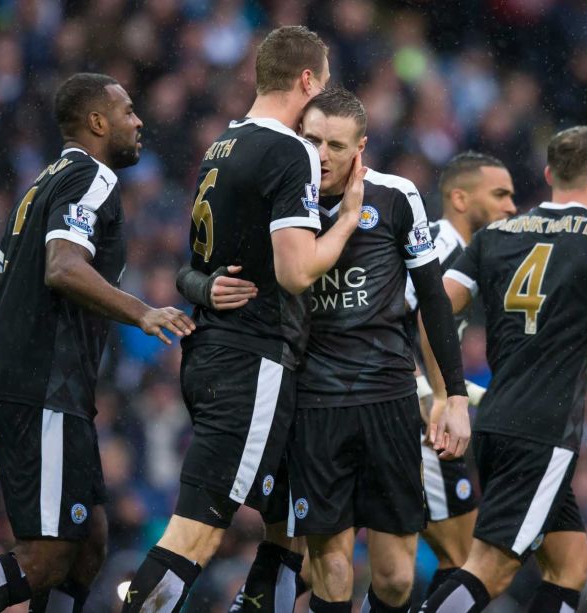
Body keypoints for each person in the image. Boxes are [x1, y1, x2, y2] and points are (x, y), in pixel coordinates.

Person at [180, 88, 470, 613]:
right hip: (315, 404)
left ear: (361, 146)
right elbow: (194, 265)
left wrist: (454, 396)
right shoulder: (278, 200)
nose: (321, 154)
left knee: (396, 578)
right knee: (331, 570)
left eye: (336, 144)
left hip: (389, 400)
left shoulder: (397, 196)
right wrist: (205, 286)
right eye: (311, 140)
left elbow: (433, 300)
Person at [120, 27, 369, 613]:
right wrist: (350, 218)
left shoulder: (223, 145)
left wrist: (200, 284)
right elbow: (296, 270)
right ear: (306, 80)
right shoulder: (289, 151)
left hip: (214, 355)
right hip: (251, 363)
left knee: (287, 525)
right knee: (197, 533)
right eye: (324, 83)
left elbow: (198, 261)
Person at [0, 73, 195, 613]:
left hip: (31, 389)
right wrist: (144, 311)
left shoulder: (36, 190)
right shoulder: (93, 178)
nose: (139, 121)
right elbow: (63, 268)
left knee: (90, 542)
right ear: (97, 122)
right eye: (128, 111)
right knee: (47, 557)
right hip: (44, 389)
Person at [419, 126, 587, 613]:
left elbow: (434, 312)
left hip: (495, 420)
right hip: (543, 430)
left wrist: (446, 390)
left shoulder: (496, 235)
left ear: (550, 173)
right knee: (489, 569)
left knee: (570, 565)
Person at [405, 151, 516, 597]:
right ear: (460, 198)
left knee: (391, 566)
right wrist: (430, 393)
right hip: (412, 421)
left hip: (405, 409)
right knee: (467, 560)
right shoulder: (441, 249)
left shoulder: (460, 251)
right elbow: (394, 322)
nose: (511, 206)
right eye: (500, 194)